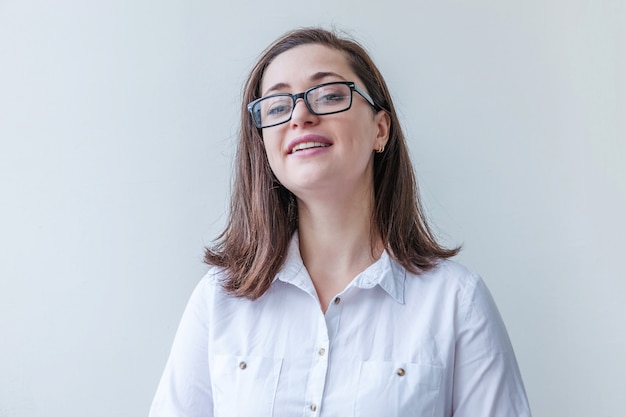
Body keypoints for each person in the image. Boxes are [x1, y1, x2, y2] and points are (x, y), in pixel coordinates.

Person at [149, 27, 532, 417]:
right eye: (278, 106)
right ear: (264, 145)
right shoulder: (218, 300)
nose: (300, 116)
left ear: (379, 129)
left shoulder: (456, 302)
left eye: (330, 95)